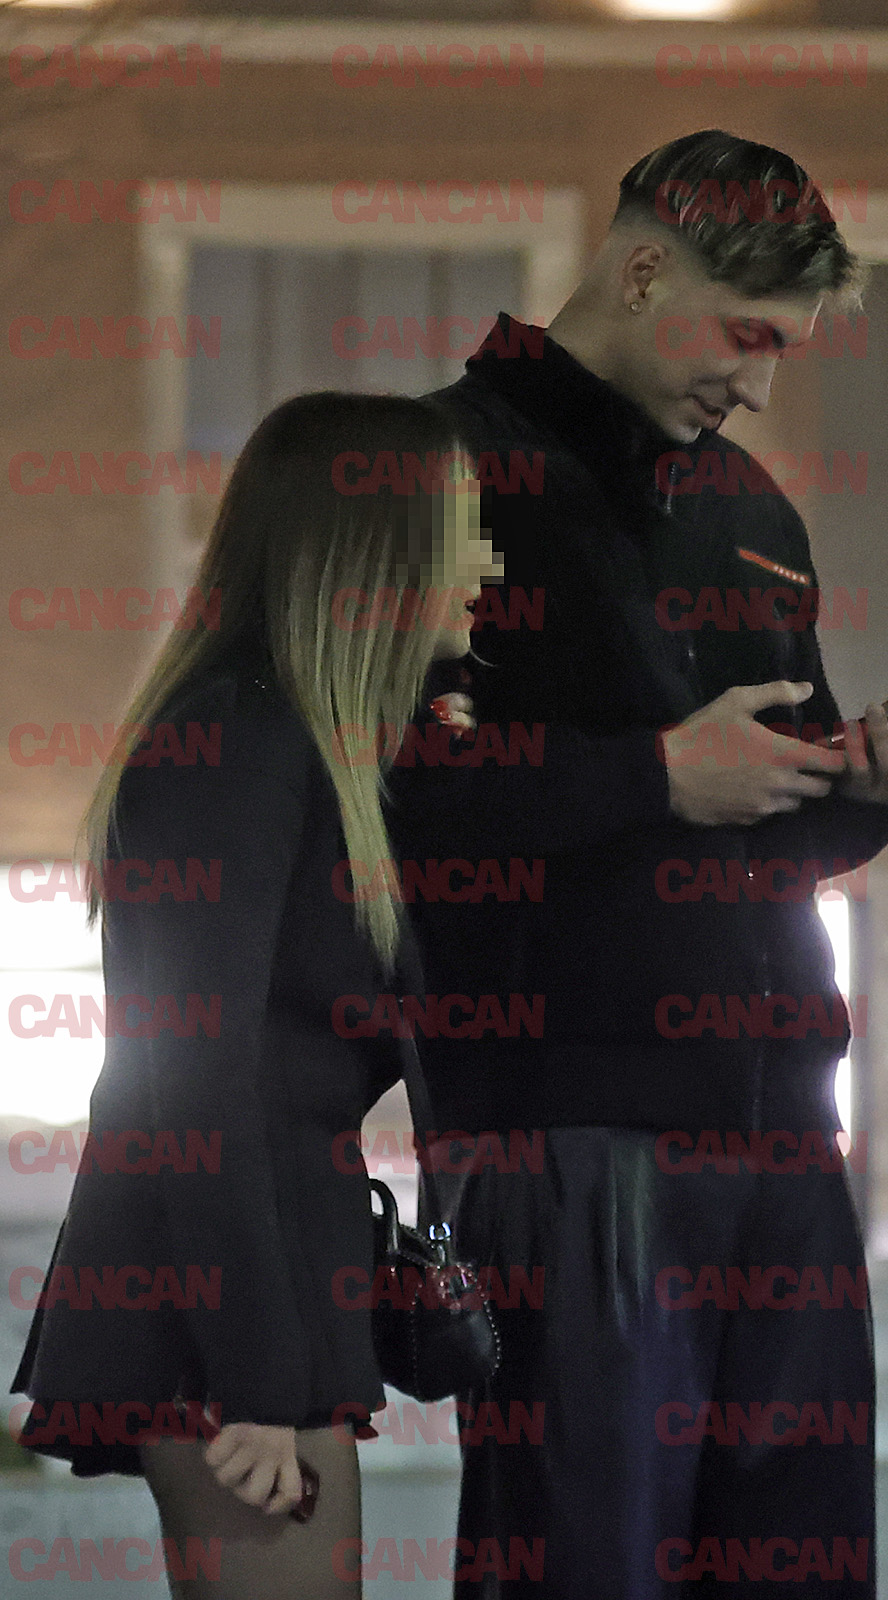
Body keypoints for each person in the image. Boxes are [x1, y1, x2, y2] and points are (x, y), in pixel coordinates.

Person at [384, 130, 888, 1596]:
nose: (760, 384)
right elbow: (390, 800)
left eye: (785, 348)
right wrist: (653, 775)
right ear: (644, 270)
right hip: (567, 1138)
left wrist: (861, 789)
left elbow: (769, 815)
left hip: (782, 1136)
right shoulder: (433, 474)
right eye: (748, 335)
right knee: (587, 1566)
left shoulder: (750, 509)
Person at [10, 391, 501, 1599]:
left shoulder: (315, 746)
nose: (488, 566)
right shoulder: (239, 739)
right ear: (375, 554)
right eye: (462, 532)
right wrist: (261, 1380)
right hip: (227, 1304)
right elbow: (192, 1081)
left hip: (274, 1279)